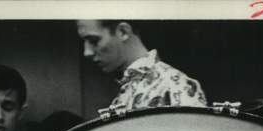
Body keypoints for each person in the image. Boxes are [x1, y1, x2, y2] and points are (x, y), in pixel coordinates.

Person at [76, 20, 206, 111]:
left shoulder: (175, 85)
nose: (86, 52)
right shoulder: (124, 93)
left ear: (123, 31)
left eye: (93, 41)